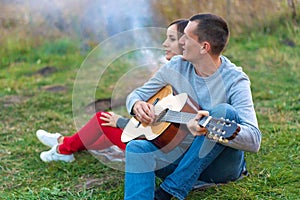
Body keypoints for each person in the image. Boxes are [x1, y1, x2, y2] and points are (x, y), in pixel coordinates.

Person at [124, 13, 261, 200]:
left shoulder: (235, 80)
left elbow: (254, 140)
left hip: (220, 168)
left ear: (204, 47)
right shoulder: (176, 67)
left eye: (186, 37)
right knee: (136, 148)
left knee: (224, 112)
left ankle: (169, 192)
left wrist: (211, 126)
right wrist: (136, 105)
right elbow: (137, 94)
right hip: (179, 159)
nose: (181, 42)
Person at [36, 19, 189, 163]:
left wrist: (121, 122)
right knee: (106, 133)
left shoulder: (188, 78)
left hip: (158, 147)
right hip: (152, 137)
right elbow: (139, 96)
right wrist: (137, 104)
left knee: (102, 119)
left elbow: (167, 124)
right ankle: (65, 142)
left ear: (185, 43)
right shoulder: (173, 71)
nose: (164, 44)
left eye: (171, 39)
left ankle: (63, 150)